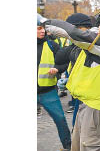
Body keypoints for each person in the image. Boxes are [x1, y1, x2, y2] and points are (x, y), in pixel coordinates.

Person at [45, 14, 100, 151]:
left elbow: (71, 33)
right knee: (79, 146)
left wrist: (45, 22)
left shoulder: (96, 43)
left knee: (91, 146)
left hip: (96, 104)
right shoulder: (82, 48)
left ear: (82, 29)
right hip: (86, 103)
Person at [37, 14, 72, 151]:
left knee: (61, 120)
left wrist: (57, 69)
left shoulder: (52, 45)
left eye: (43, 28)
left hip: (48, 92)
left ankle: (68, 146)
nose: (43, 31)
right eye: (39, 28)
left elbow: (65, 63)